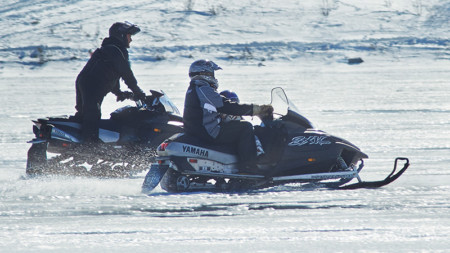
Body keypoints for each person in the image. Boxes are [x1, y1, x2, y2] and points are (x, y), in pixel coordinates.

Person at [183, 59, 273, 172]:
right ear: (204, 74)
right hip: (208, 132)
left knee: (235, 126)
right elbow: (226, 106)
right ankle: (249, 167)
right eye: (211, 73)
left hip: (199, 130)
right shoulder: (203, 88)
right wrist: (256, 109)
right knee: (245, 127)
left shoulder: (194, 88)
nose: (213, 76)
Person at [74, 21, 146, 143]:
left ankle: (76, 142)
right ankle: (89, 147)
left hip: (86, 82)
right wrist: (137, 91)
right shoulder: (115, 50)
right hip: (92, 85)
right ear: (121, 36)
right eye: (129, 36)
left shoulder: (110, 49)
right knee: (92, 115)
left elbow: (111, 74)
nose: (130, 40)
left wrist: (119, 92)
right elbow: (126, 73)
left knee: (84, 115)